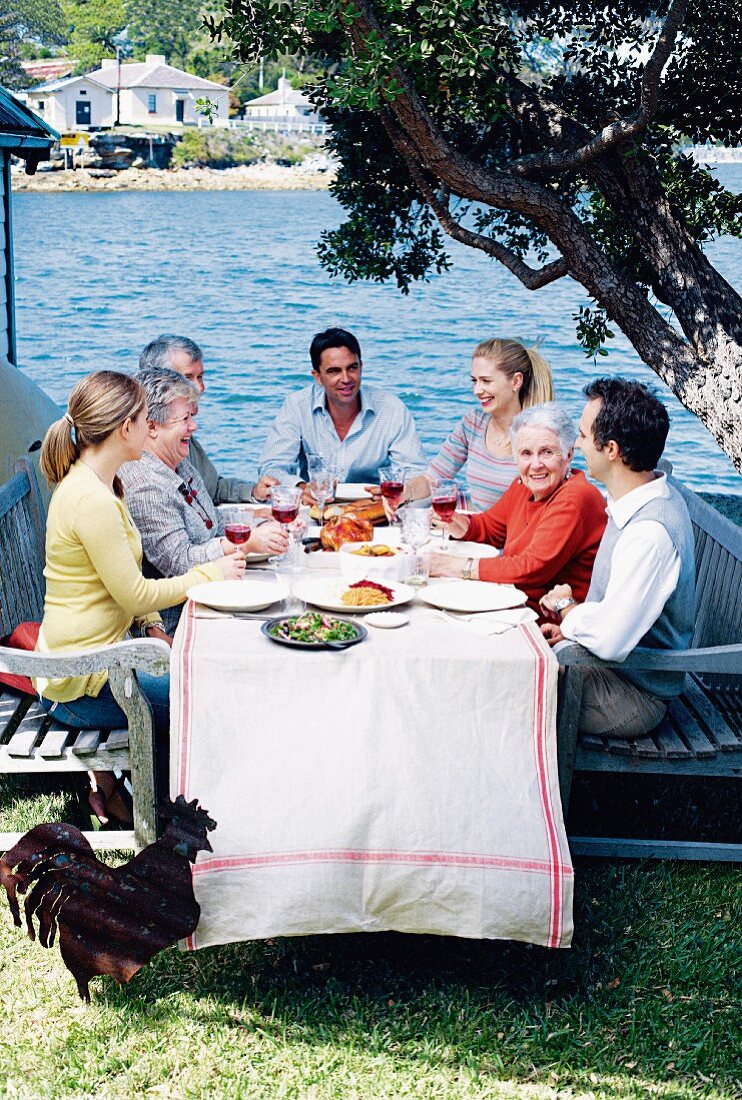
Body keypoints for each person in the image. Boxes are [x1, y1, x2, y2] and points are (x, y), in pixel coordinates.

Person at [35, 371, 244, 825]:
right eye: (146, 418)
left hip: (100, 663)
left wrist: (152, 625)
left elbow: (128, 580)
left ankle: (157, 809)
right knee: (204, 693)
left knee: (196, 680)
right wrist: (210, 573)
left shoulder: (102, 482)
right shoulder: (90, 499)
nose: (152, 426)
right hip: (78, 682)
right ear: (125, 428)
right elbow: (133, 590)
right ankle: (166, 821)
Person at [540, 378, 695, 739]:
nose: (577, 444)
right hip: (616, 671)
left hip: (636, 696)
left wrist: (567, 610)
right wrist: (572, 626)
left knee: (509, 697)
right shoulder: (638, 499)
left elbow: (610, 639)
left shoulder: (649, 533)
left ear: (610, 449)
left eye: (581, 435)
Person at [120, 367, 288, 634]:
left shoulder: (177, 461)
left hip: (213, 592)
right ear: (151, 427)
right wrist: (245, 543)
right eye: (184, 419)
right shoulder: (146, 487)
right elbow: (179, 562)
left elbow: (212, 521)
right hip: (181, 621)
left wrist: (258, 518)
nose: (193, 426)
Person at [428, 403, 607, 613]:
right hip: (514, 601)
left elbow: (532, 568)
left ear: (568, 456)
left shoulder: (574, 497)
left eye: (547, 452)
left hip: (550, 620)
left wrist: (454, 567)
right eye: (526, 453)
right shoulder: (523, 486)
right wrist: (463, 526)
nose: (536, 464)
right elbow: (492, 529)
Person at [258, 327, 427, 494]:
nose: (346, 379)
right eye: (334, 371)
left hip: (375, 507)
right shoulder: (297, 406)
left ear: (361, 366)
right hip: (316, 506)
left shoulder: (392, 408)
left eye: (352, 368)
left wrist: (394, 493)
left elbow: (414, 473)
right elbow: (272, 467)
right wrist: (301, 489)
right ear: (317, 376)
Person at [395, 338, 554, 514]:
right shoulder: (473, 423)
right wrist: (399, 495)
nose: (477, 390)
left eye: (486, 381)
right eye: (474, 381)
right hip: (472, 524)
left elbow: (543, 507)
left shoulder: (540, 435)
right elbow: (431, 479)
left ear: (516, 381)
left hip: (507, 534)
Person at [139, 334, 277, 504]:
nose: (200, 388)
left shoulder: (184, 435)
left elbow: (210, 488)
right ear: (158, 381)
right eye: (187, 378)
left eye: (200, 377)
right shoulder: (145, 459)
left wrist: (254, 492)